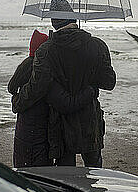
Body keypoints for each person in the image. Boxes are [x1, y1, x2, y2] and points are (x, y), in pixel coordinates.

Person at [11, 0, 116, 167]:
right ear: (73, 18)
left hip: (60, 124)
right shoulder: (97, 45)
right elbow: (109, 82)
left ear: (53, 22)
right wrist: (89, 83)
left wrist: (18, 102)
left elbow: (37, 87)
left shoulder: (46, 50)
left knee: (65, 177)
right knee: (96, 172)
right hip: (89, 121)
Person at [8, 29, 97, 168]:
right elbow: (66, 103)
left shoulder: (25, 68)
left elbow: (14, 92)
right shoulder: (42, 76)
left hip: (25, 134)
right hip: (37, 138)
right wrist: (90, 91)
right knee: (38, 178)